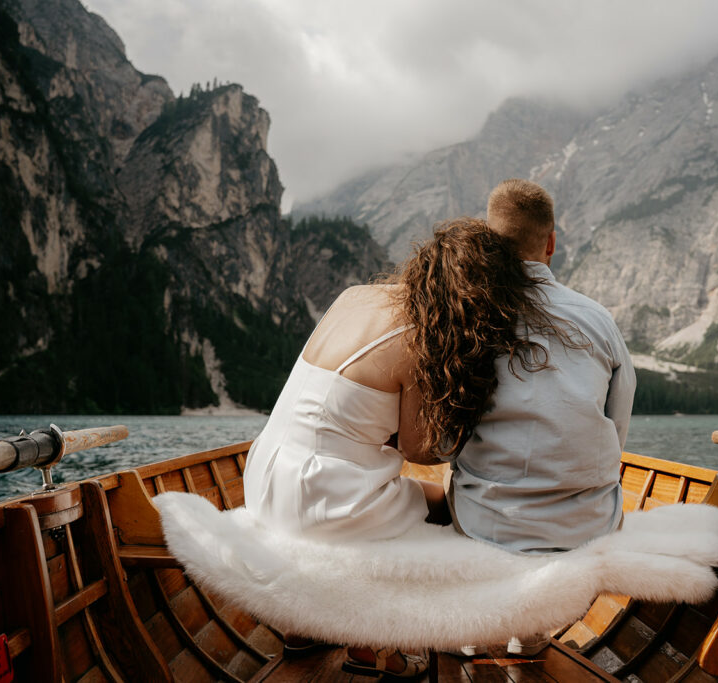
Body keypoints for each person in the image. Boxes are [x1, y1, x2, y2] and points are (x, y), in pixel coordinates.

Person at [241, 217, 563, 677]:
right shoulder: (420, 339)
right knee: (449, 508)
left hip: (266, 474)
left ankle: (303, 628)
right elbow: (420, 449)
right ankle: (381, 639)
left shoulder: (352, 296)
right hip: (324, 497)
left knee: (398, 492)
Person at [446, 178, 636, 655]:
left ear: (487, 241)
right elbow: (617, 429)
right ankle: (529, 634)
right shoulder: (598, 319)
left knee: (451, 486)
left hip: (485, 522)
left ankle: (473, 626)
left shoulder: (469, 318)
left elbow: (447, 438)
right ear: (551, 242)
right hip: (585, 524)